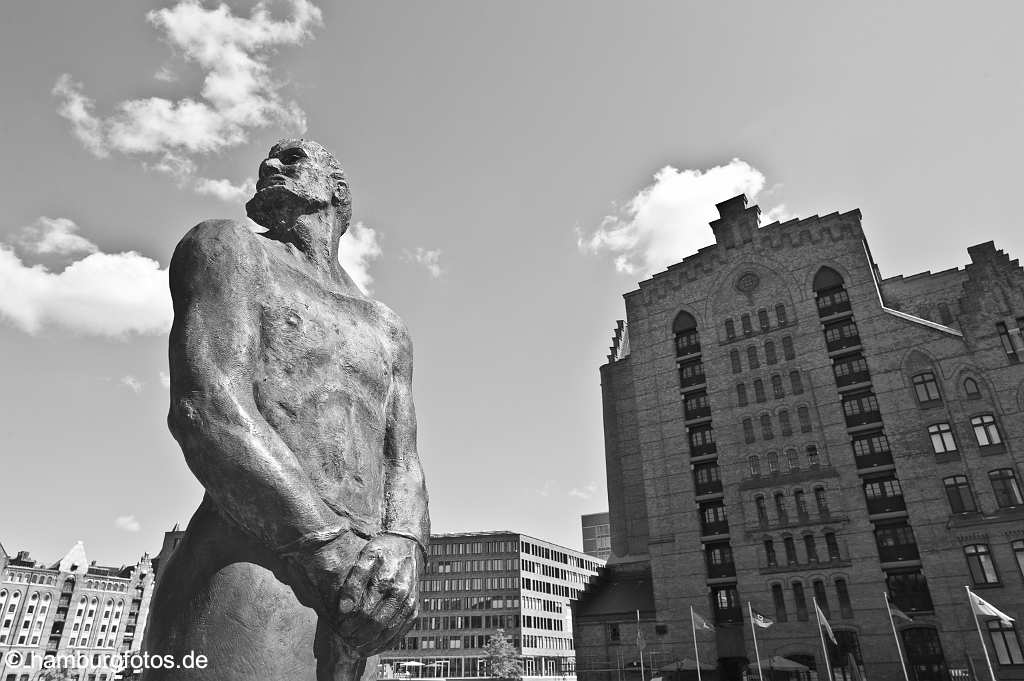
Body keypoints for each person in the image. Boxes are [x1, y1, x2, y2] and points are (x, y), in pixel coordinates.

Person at [142, 139, 430, 681]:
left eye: (292, 158)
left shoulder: (387, 326)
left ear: (337, 193)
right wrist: (327, 546)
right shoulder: (228, 248)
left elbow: (403, 459)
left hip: (356, 606)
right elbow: (207, 405)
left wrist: (406, 546)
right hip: (248, 573)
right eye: (268, 160)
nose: (270, 166)